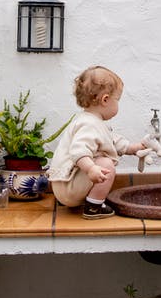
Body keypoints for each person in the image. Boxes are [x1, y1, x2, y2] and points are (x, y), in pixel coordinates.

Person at [48, 66, 146, 219]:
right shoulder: (89, 124)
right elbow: (78, 151)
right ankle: (94, 207)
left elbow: (112, 141)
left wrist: (134, 148)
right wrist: (91, 168)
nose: (118, 105)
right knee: (106, 165)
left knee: (102, 162)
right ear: (105, 99)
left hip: (65, 185)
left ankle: (87, 200)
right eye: (117, 100)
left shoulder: (90, 121)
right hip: (68, 187)